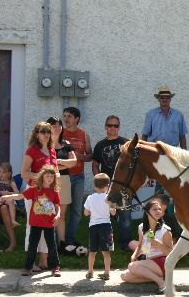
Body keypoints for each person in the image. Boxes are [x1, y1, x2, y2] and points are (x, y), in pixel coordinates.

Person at [0, 165, 61, 278]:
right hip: (35, 223)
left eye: (52, 176)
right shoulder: (34, 189)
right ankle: (28, 267)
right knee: (32, 246)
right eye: (47, 176)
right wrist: (8, 197)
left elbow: (58, 206)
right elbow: (20, 196)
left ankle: (55, 267)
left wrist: (58, 215)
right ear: (42, 177)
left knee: (52, 246)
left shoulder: (54, 191)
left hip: (49, 223)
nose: (49, 178)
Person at [20, 121, 58, 271]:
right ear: (36, 134)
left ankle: (44, 261)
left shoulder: (52, 150)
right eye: (42, 131)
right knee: (33, 226)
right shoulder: (32, 151)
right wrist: (42, 178)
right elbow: (24, 173)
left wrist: (54, 180)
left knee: (47, 224)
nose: (46, 134)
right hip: (34, 192)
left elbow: (54, 172)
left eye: (48, 131)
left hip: (49, 193)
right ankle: (31, 263)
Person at [92, 115, 131, 251]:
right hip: (106, 187)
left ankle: (125, 243)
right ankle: (104, 243)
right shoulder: (100, 145)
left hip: (123, 186)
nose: (113, 128)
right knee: (104, 215)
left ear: (119, 127)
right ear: (105, 127)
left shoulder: (126, 143)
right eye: (110, 125)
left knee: (125, 216)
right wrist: (99, 180)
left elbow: (133, 164)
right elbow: (95, 164)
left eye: (115, 126)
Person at [119, 198, 174, 294]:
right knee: (124, 276)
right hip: (149, 262)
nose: (158, 211)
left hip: (163, 262)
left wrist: (158, 243)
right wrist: (134, 255)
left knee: (132, 266)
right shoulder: (141, 227)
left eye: (159, 209)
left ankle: (161, 283)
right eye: (154, 209)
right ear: (147, 212)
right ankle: (157, 277)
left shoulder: (165, 230)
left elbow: (171, 253)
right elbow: (141, 246)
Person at [62, 106, 92, 247]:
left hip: (79, 177)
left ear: (76, 119)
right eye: (65, 116)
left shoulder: (83, 134)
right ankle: (59, 240)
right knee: (61, 210)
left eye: (69, 116)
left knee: (76, 211)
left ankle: (69, 239)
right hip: (63, 177)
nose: (66, 119)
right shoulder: (60, 133)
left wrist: (80, 157)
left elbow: (90, 155)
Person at [46, 116, 77, 247]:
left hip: (64, 180)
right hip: (48, 181)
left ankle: (61, 243)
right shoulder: (45, 145)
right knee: (48, 212)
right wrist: (65, 164)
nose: (57, 127)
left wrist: (57, 162)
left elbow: (74, 162)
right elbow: (46, 166)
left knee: (61, 214)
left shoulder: (66, 144)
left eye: (59, 125)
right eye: (54, 125)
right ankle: (48, 243)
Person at [83, 173, 116, 280]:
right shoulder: (109, 198)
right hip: (106, 226)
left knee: (92, 251)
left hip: (93, 226)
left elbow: (86, 213)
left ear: (95, 186)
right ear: (108, 186)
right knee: (106, 252)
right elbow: (113, 213)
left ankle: (90, 271)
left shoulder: (90, 198)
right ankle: (107, 272)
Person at [142, 85, 188, 149]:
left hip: (173, 151)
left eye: (167, 97)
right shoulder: (150, 115)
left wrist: (184, 153)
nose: (165, 100)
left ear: (170, 99)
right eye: (162, 97)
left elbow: (182, 136)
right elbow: (144, 136)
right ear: (158, 99)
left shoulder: (178, 115)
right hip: (155, 151)